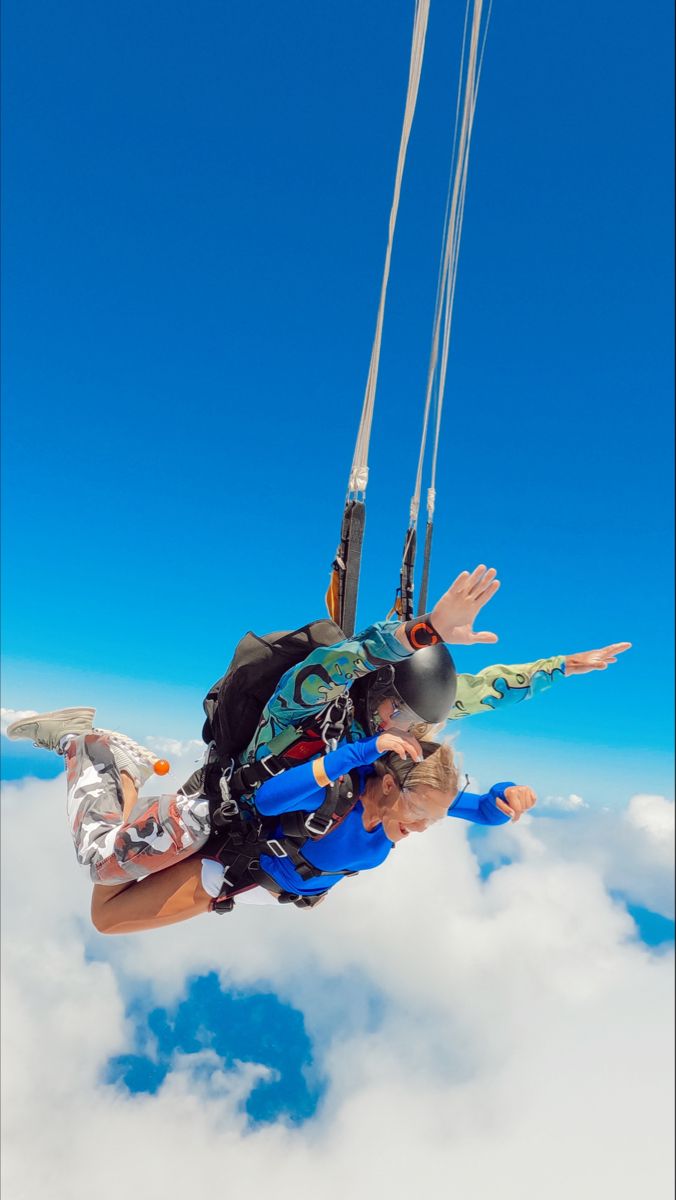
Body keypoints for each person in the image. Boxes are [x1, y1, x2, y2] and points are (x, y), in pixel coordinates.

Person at [7, 711, 537, 934]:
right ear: (392, 784)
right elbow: (270, 795)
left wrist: (501, 801)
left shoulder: (415, 806)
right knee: (105, 902)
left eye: (433, 821)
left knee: (106, 898)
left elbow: (478, 810)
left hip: (253, 883)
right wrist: (355, 753)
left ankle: (119, 764)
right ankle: (95, 750)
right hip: (227, 869)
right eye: (420, 815)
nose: (423, 828)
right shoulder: (339, 792)